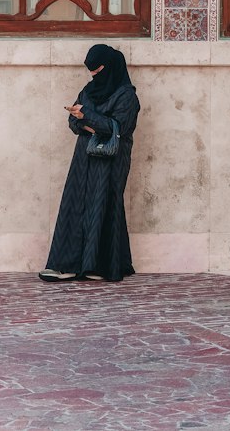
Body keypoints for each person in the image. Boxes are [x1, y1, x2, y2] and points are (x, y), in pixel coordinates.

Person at [39, 44, 140, 284]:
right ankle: (66, 264)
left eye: (98, 69)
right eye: (91, 70)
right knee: (73, 205)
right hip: (84, 157)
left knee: (104, 206)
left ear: (111, 67)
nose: (94, 75)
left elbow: (120, 128)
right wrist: (85, 122)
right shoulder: (88, 90)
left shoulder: (127, 95)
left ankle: (102, 266)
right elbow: (73, 122)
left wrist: (87, 118)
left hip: (110, 160)